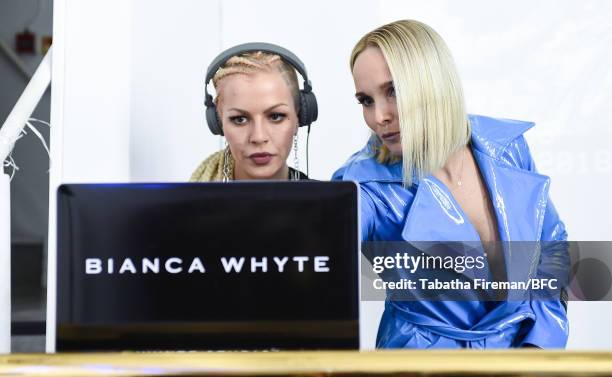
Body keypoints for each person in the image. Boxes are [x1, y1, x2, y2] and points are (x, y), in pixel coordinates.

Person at [333, 20, 569, 348]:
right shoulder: (362, 184)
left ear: (432, 83)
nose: (379, 117)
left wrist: (539, 347)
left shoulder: (506, 147)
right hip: (420, 376)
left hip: (521, 367)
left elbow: (551, 250)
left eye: (393, 91)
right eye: (366, 100)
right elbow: (318, 255)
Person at [191, 43, 318, 182]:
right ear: (218, 121)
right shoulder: (189, 202)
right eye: (239, 119)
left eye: (276, 116)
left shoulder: (331, 203)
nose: (258, 137)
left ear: (298, 117)